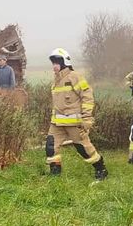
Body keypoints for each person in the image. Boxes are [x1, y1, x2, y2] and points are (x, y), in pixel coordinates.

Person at [46, 47, 108, 179]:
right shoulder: (56, 80)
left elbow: (87, 97)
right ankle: (55, 173)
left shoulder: (75, 77)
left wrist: (87, 118)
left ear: (64, 62)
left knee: (83, 148)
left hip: (75, 123)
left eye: (57, 63)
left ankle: (100, 168)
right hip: (56, 123)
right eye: (53, 63)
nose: (54, 66)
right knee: (51, 147)